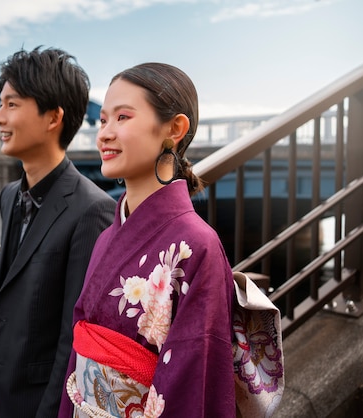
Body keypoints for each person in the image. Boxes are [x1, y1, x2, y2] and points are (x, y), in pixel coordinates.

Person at [58, 62, 236, 417]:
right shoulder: (107, 237)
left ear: (174, 128)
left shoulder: (196, 246)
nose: (104, 134)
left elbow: (193, 382)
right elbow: (79, 355)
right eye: (103, 120)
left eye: (122, 117)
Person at [0, 46, 116, 417]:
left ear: (53, 117)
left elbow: (73, 339)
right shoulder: (10, 195)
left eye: (11, 105)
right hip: (1, 399)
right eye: (0, 104)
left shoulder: (93, 210)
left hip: (42, 406)